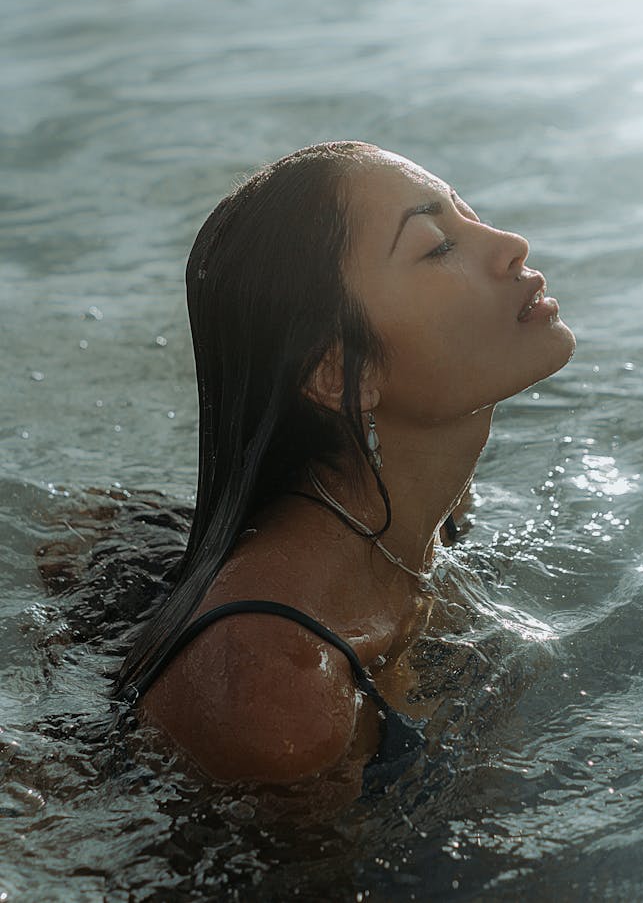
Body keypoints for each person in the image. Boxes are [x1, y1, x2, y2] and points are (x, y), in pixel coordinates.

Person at [113, 140, 575, 804]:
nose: (511, 244)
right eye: (436, 246)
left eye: (468, 214)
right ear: (339, 372)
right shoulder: (281, 698)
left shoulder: (433, 509)